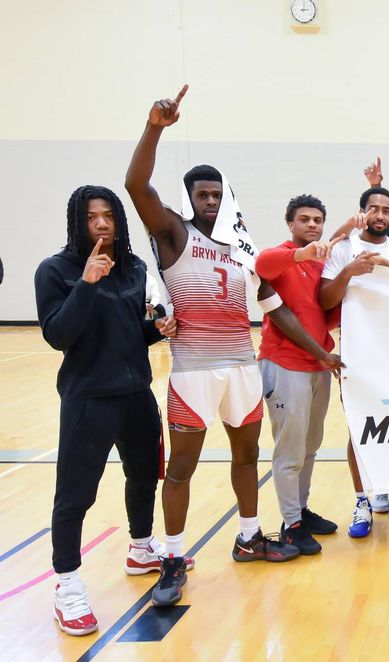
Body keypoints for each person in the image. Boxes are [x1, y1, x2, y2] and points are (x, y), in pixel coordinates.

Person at [126, 86, 337, 607]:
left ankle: (248, 536)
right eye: (203, 195)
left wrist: (320, 350)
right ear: (189, 198)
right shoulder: (173, 233)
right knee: (181, 467)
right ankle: (173, 557)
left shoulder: (241, 248)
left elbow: (274, 308)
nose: (211, 202)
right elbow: (135, 184)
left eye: (218, 195)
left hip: (243, 365)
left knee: (247, 459)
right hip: (194, 370)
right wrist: (155, 127)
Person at [35, 185, 177, 636]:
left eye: (108, 215)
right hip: (87, 400)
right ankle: (67, 584)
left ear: (119, 220)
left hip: (136, 392)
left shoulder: (133, 267)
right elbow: (59, 335)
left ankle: (140, 548)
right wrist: (86, 284)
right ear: (78, 221)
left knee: (142, 477)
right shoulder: (55, 270)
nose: (100, 223)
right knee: (75, 496)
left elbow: (128, 334)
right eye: (91, 216)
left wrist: (155, 330)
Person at [319, 186, 389, 537]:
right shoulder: (346, 248)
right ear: (363, 211)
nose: (380, 215)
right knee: (359, 427)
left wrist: (386, 266)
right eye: (374, 208)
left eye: (386, 210)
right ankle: (363, 501)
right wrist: (349, 272)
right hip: (357, 351)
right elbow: (324, 300)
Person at [255, 194, 345, 556]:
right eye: (304, 219)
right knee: (289, 451)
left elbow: (324, 312)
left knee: (310, 447)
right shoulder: (280, 258)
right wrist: (300, 253)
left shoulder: (322, 266)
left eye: (317, 220)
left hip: (318, 366)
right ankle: (289, 525)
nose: (312, 225)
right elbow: (261, 265)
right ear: (290, 223)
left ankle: (301, 511)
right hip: (284, 364)